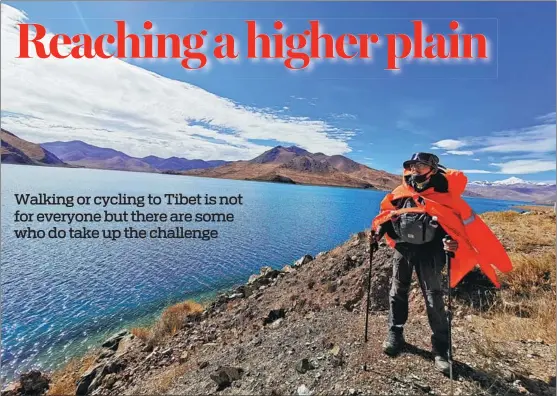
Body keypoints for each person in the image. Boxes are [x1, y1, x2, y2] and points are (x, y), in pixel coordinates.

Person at [369, 152, 458, 375]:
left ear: (433, 170)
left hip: (430, 253)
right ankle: (395, 333)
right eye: (412, 165)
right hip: (403, 249)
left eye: (420, 165)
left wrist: (452, 243)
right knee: (397, 292)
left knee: (433, 297)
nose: (415, 169)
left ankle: (441, 349)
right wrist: (379, 232)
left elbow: (452, 227)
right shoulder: (401, 193)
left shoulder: (442, 195)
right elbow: (390, 216)